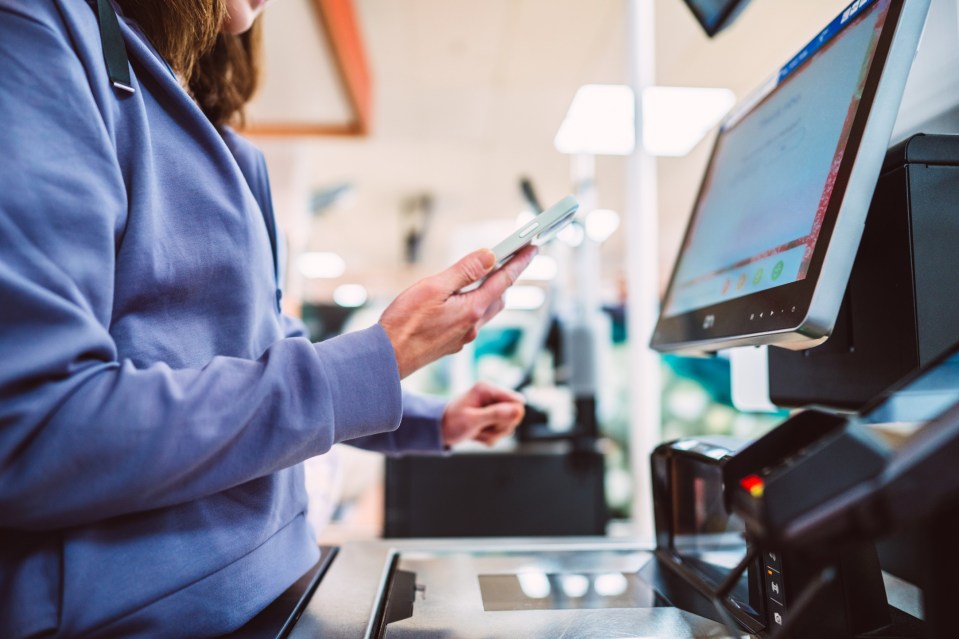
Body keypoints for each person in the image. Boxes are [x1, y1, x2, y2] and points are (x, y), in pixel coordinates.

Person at [0, 0, 537, 637]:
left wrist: (434, 418)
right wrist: (386, 355)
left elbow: (269, 355)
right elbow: (41, 428)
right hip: (147, 614)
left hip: (275, 578)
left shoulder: (226, 148)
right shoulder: (39, 34)